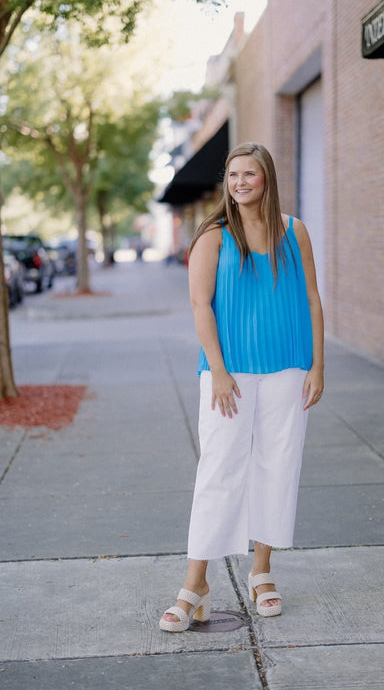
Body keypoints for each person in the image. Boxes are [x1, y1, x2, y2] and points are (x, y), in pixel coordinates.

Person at [159, 142, 324, 632]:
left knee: (278, 465)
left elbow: (313, 300)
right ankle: (196, 585)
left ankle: (262, 572)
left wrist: (318, 366)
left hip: (289, 368)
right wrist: (219, 369)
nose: (239, 183)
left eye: (248, 174)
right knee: (219, 470)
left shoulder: (295, 231)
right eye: (232, 175)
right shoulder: (214, 235)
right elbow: (200, 306)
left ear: (266, 178)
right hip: (227, 373)